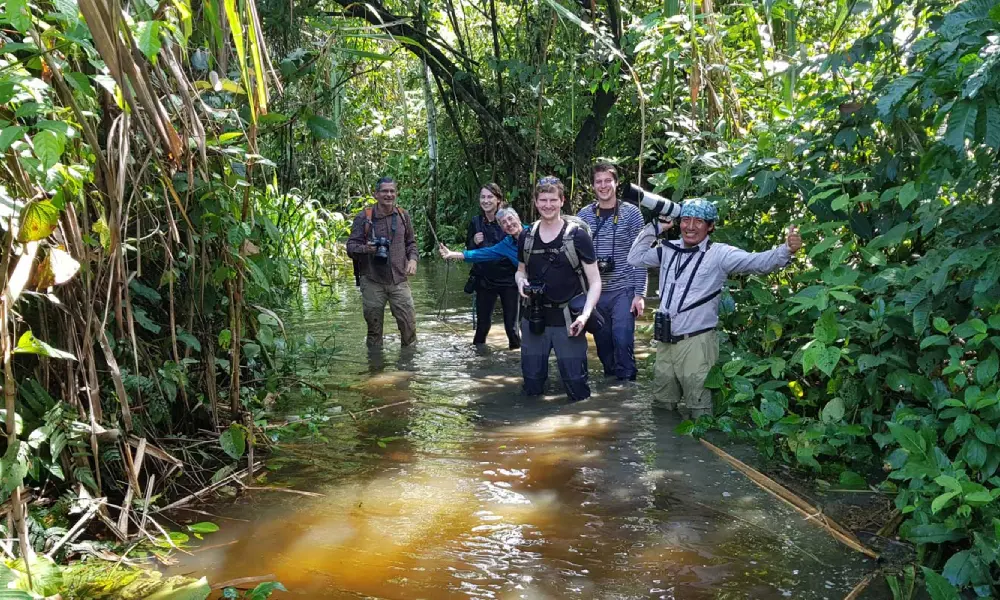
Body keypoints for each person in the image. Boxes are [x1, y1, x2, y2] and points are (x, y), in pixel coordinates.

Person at [627, 199, 803, 418]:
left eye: (698, 221)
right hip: (665, 342)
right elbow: (634, 258)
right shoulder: (668, 249)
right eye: (686, 220)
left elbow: (756, 262)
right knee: (662, 407)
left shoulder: (720, 254)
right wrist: (657, 227)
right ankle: (666, 447)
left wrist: (786, 250)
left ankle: (699, 451)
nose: (690, 226)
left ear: (710, 226)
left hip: (697, 343)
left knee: (700, 410)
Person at [514, 176, 602, 401]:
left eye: (553, 199)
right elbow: (521, 270)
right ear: (535, 202)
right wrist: (520, 281)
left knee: (577, 386)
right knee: (532, 384)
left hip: (568, 320)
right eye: (542, 200)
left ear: (562, 201)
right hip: (534, 318)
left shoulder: (578, 237)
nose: (548, 205)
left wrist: (584, 316)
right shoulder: (526, 236)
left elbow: (595, 282)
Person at [576, 162, 646, 382]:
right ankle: (611, 391)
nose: (603, 185)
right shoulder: (584, 215)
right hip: (595, 292)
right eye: (599, 181)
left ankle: (627, 389)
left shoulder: (632, 214)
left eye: (608, 180)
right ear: (593, 186)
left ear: (616, 183)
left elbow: (641, 254)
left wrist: (639, 294)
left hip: (623, 289)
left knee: (623, 339)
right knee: (604, 345)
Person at [346, 177, 419, 349]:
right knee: (374, 331)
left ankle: (408, 369)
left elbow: (411, 243)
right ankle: (376, 368)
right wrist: (368, 249)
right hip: (372, 280)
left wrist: (413, 260)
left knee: (409, 328)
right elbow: (350, 247)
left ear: (396, 194)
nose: (389, 194)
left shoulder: (403, 215)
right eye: (384, 191)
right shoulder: (364, 217)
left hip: (399, 279)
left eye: (392, 191)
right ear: (376, 194)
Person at [463, 184, 520, 349]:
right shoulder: (476, 222)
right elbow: (470, 252)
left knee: (512, 328)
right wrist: (474, 242)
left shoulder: (507, 219)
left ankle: (516, 363)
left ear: (498, 200)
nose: (486, 201)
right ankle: (479, 365)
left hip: (509, 280)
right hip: (485, 280)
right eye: (483, 197)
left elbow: (519, 244)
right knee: (482, 327)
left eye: (490, 197)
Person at [439, 206, 526, 267]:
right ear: (502, 228)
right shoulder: (506, 245)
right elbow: (481, 254)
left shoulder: (535, 231)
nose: (509, 224)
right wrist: (451, 254)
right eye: (504, 222)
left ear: (517, 218)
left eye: (510, 219)